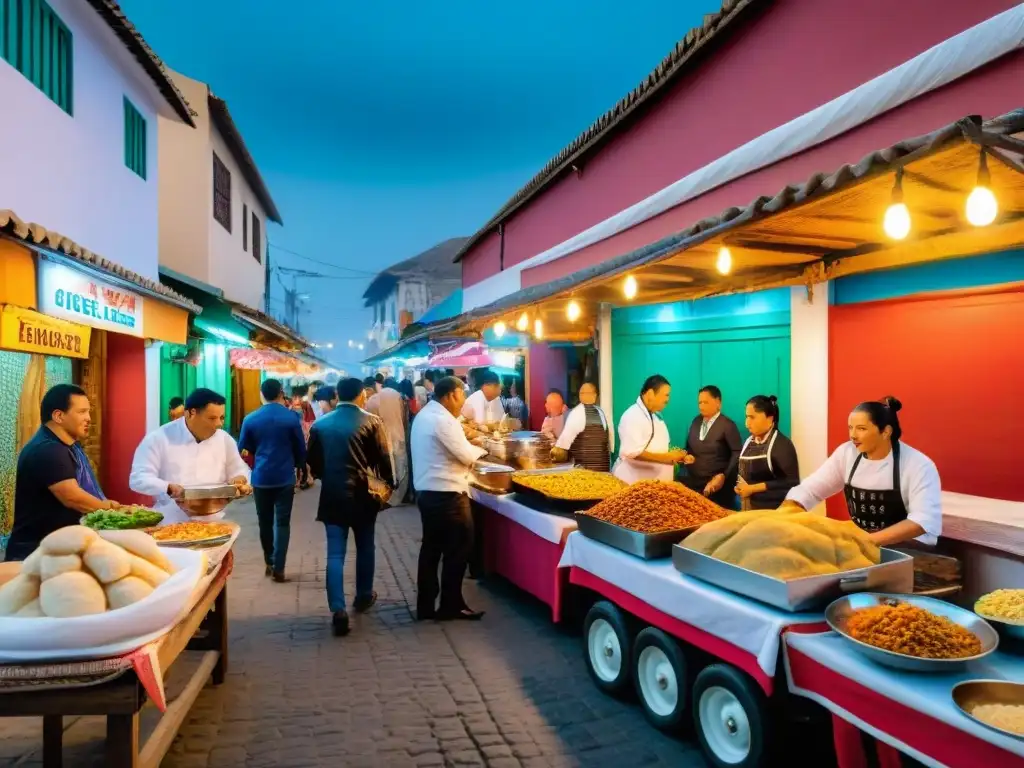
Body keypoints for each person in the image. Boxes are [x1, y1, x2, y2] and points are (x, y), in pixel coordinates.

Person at [783, 397, 941, 547]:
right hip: (862, 542)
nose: (853, 435)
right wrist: (789, 509)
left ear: (886, 431)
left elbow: (922, 521)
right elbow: (811, 489)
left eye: (861, 429)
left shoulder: (918, 465)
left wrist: (868, 541)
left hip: (909, 548)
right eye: (850, 428)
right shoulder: (846, 454)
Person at [307, 378, 395, 637]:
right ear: (361, 395)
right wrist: (388, 484)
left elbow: (312, 461)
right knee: (366, 546)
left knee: (335, 554)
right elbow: (383, 459)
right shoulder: (372, 421)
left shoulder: (320, 424)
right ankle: (364, 595)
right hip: (364, 494)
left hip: (333, 495)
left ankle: (338, 609)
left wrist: (328, 475)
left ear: (337, 395)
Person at [4, 385, 121, 562]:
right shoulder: (49, 450)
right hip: (34, 556)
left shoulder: (64, 447)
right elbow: (72, 497)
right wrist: (111, 511)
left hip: (53, 552)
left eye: (88, 412)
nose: (88, 419)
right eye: (81, 412)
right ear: (58, 416)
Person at [411, 376, 488, 621]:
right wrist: (484, 449)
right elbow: (466, 456)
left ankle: (426, 606)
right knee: (458, 549)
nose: (463, 400)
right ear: (451, 395)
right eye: (462, 394)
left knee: (431, 550)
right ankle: (450, 604)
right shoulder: (442, 420)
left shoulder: (427, 415)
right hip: (447, 495)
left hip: (428, 492)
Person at [129, 388, 252, 525]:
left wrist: (240, 478)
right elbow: (138, 479)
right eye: (212, 418)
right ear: (191, 413)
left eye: (222, 418)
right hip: (170, 523)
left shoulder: (224, 439)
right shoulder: (158, 439)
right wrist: (167, 487)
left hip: (215, 521)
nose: (219, 424)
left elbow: (239, 468)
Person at [238, 379, 307, 581]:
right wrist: (300, 467)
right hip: (285, 477)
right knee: (282, 523)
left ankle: (269, 561)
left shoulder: (250, 419)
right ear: (281, 393)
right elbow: (300, 449)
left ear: (262, 394)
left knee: (264, 522)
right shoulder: (291, 417)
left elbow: (243, 449)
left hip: (261, 478)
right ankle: (279, 565)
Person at [613, 375, 686, 484]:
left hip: (655, 485)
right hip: (634, 484)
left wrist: (676, 456)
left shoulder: (656, 416)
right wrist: (668, 457)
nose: (667, 400)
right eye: (666, 395)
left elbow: (657, 447)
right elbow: (633, 453)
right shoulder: (632, 415)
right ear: (651, 393)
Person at [735, 395, 800, 511]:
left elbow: (791, 482)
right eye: (746, 417)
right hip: (751, 509)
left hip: (776, 512)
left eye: (752, 417)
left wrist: (752, 489)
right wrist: (741, 487)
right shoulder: (749, 442)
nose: (747, 423)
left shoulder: (782, 445)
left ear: (770, 419)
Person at [682, 385, 743, 508]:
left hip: (718, 489)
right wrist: (686, 456)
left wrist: (723, 475)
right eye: (699, 402)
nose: (701, 406)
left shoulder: (727, 425)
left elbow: (737, 453)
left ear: (718, 403)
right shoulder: (695, 421)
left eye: (706, 402)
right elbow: (688, 447)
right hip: (694, 486)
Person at [366, 378, 409, 504]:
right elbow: (404, 417)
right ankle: (403, 496)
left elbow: (369, 421)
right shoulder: (399, 396)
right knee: (401, 466)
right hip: (399, 435)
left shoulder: (373, 399)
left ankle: (388, 496)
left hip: (383, 439)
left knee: (388, 467)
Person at [551, 382, 612, 471]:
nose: (583, 395)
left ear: (595, 395)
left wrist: (551, 454)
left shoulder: (576, 414)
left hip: (584, 473)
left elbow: (562, 449)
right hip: (603, 471)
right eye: (582, 393)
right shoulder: (601, 412)